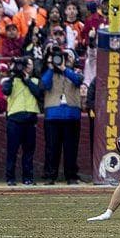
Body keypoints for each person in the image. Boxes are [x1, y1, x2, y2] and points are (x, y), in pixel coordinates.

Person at [41, 45, 85, 185]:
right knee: (52, 148)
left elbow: (78, 80)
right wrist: (52, 66)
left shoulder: (75, 71)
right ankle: (50, 176)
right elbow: (44, 85)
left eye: (67, 57)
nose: (63, 59)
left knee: (71, 148)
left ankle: (71, 175)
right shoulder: (49, 72)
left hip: (71, 115)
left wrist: (64, 69)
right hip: (53, 115)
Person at [0, 58, 42, 186]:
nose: (25, 67)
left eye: (28, 65)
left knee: (28, 151)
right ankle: (10, 178)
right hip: (14, 119)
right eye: (24, 65)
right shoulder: (11, 81)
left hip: (30, 118)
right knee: (12, 150)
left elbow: (39, 94)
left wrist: (27, 80)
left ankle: (27, 178)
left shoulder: (34, 80)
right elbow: (5, 90)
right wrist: (13, 75)